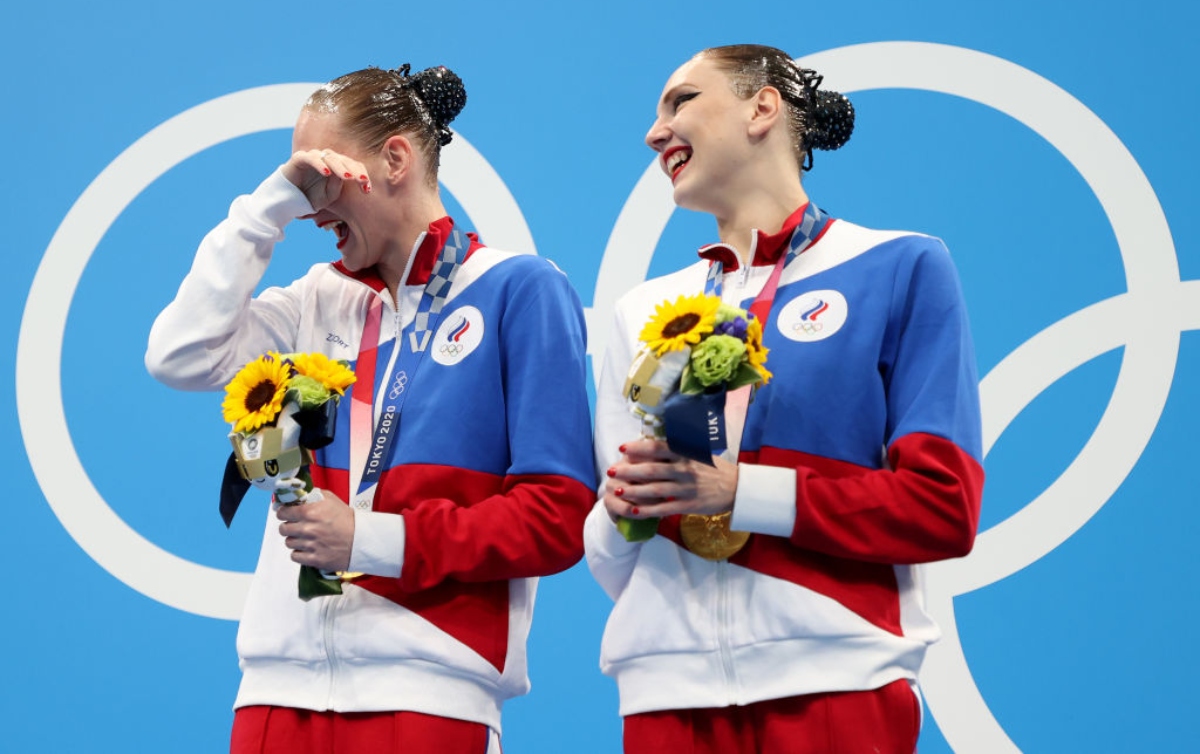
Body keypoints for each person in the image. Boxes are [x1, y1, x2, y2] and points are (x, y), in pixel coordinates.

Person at [145, 63, 596, 754]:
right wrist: (267, 207)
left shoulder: (519, 290)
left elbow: (558, 516)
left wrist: (371, 541)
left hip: (426, 697)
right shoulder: (316, 298)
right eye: (302, 182)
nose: (315, 205)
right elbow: (178, 355)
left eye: (325, 178)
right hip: (274, 698)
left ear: (395, 159)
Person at [585, 44, 984, 754]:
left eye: (680, 102)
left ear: (762, 107)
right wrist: (622, 510)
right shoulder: (644, 310)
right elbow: (612, 557)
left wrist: (742, 493)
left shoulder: (899, 267)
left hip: (836, 685)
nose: (654, 132)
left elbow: (942, 506)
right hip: (664, 698)